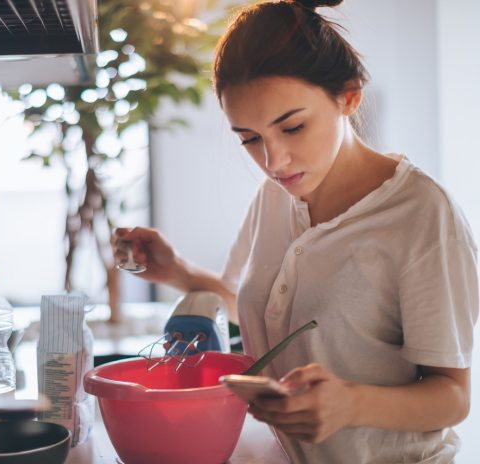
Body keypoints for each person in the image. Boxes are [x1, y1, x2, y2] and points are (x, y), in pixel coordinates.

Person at [111, 0, 479, 462]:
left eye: (293, 127)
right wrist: (177, 271)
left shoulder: (423, 215)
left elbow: (453, 396)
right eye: (249, 138)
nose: (273, 161)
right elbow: (255, 311)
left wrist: (352, 403)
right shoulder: (274, 196)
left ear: (349, 97)